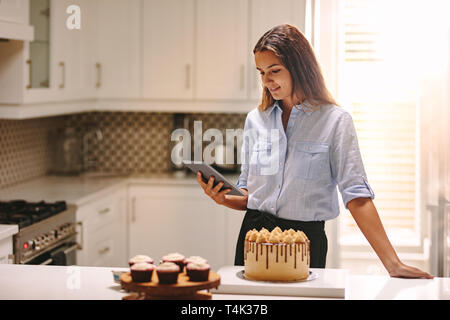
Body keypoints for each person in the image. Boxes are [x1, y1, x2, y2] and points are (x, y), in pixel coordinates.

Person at [196, 24, 433, 278]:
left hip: (305, 242)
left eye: (274, 70)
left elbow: (357, 196)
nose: (266, 81)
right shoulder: (256, 120)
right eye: (261, 72)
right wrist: (223, 198)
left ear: (299, 67)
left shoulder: (336, 121)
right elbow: (249, 194)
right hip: (254, 237)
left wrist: (392, 263)